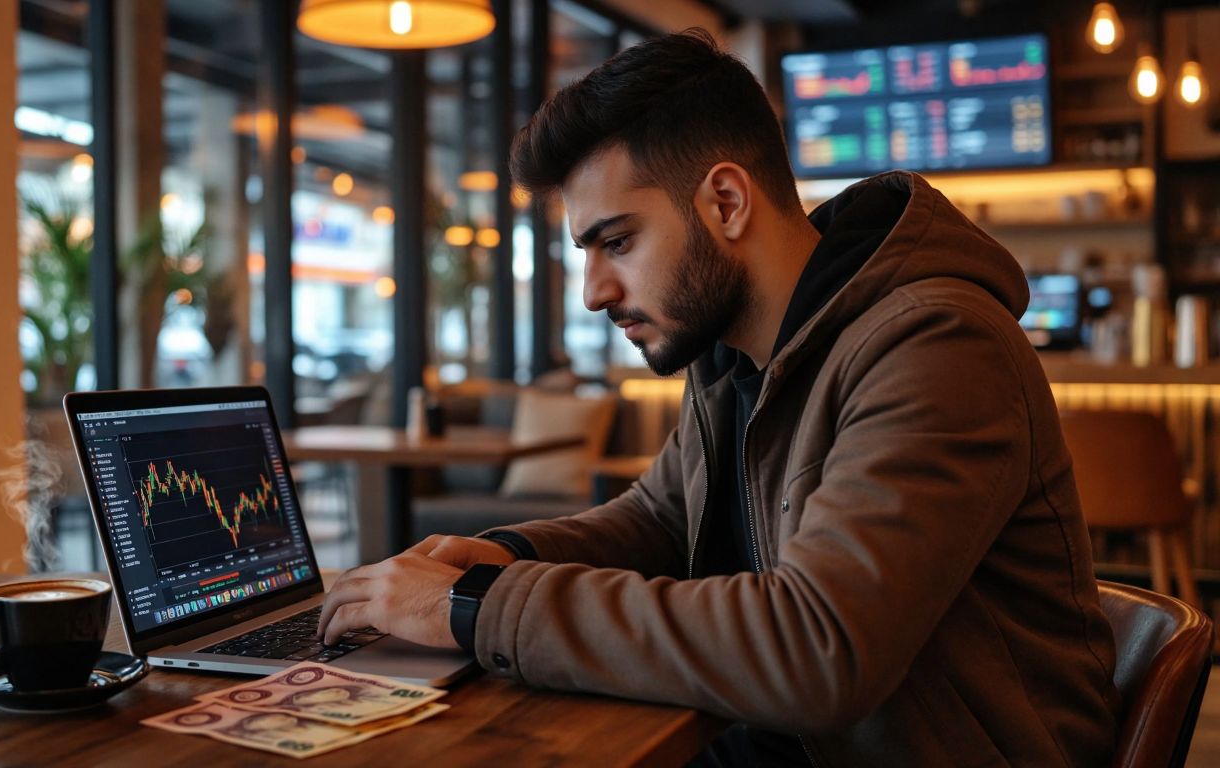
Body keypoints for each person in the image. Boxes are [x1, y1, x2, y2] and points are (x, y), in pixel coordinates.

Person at [318, 29, 1119, 766]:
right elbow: (660, 521)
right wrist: (503, 555)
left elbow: (818, 647)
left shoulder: (936, 344)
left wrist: (477, 607)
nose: (595, 292)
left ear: (726, 202)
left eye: (618, 242)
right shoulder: (729, 352)